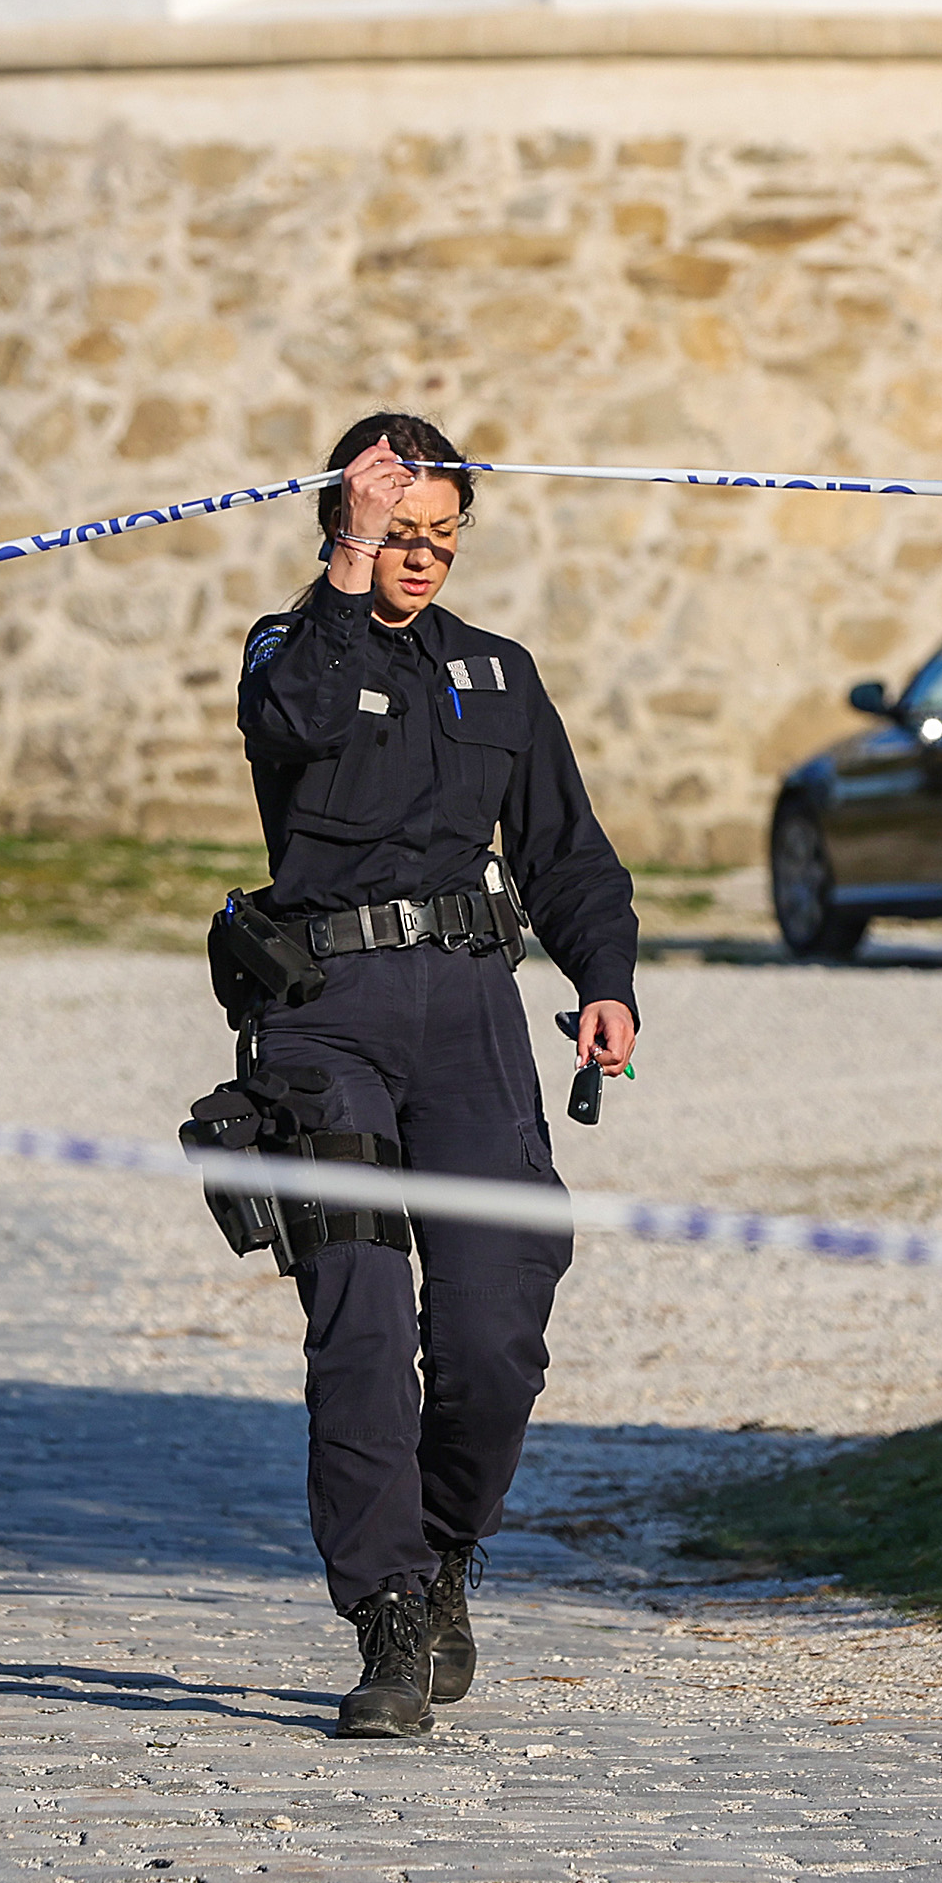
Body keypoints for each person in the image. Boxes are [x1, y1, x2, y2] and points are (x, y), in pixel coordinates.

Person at [233, 409, 640, 1739]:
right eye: (397, 531)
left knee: (494, 1323)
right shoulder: (291, 650)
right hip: (328, 1018)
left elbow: (566, 853)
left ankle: (448, 1548)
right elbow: (294, 721)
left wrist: (605, 978)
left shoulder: (499, 677)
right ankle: (389, 1611)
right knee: (358, 1324)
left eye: (441, 535)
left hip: (469, 1014)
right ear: (346, 525)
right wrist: (348, 563)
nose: (421, 555)